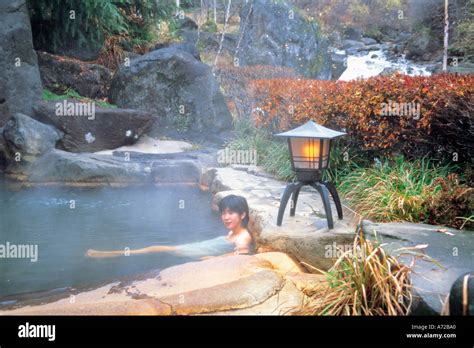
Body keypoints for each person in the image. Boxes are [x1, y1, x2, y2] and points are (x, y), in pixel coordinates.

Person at [85, 194, 256, 259]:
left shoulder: (243, 238)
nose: (226, 217)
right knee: (161, 248)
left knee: (158, 248)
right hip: (201, 248)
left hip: (202, 252)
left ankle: (108, 254)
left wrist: (209, 259)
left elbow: (239, 257)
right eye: (223, 213)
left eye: (231, 213)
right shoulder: (234, 232)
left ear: (242, 215)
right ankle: (110, 254)